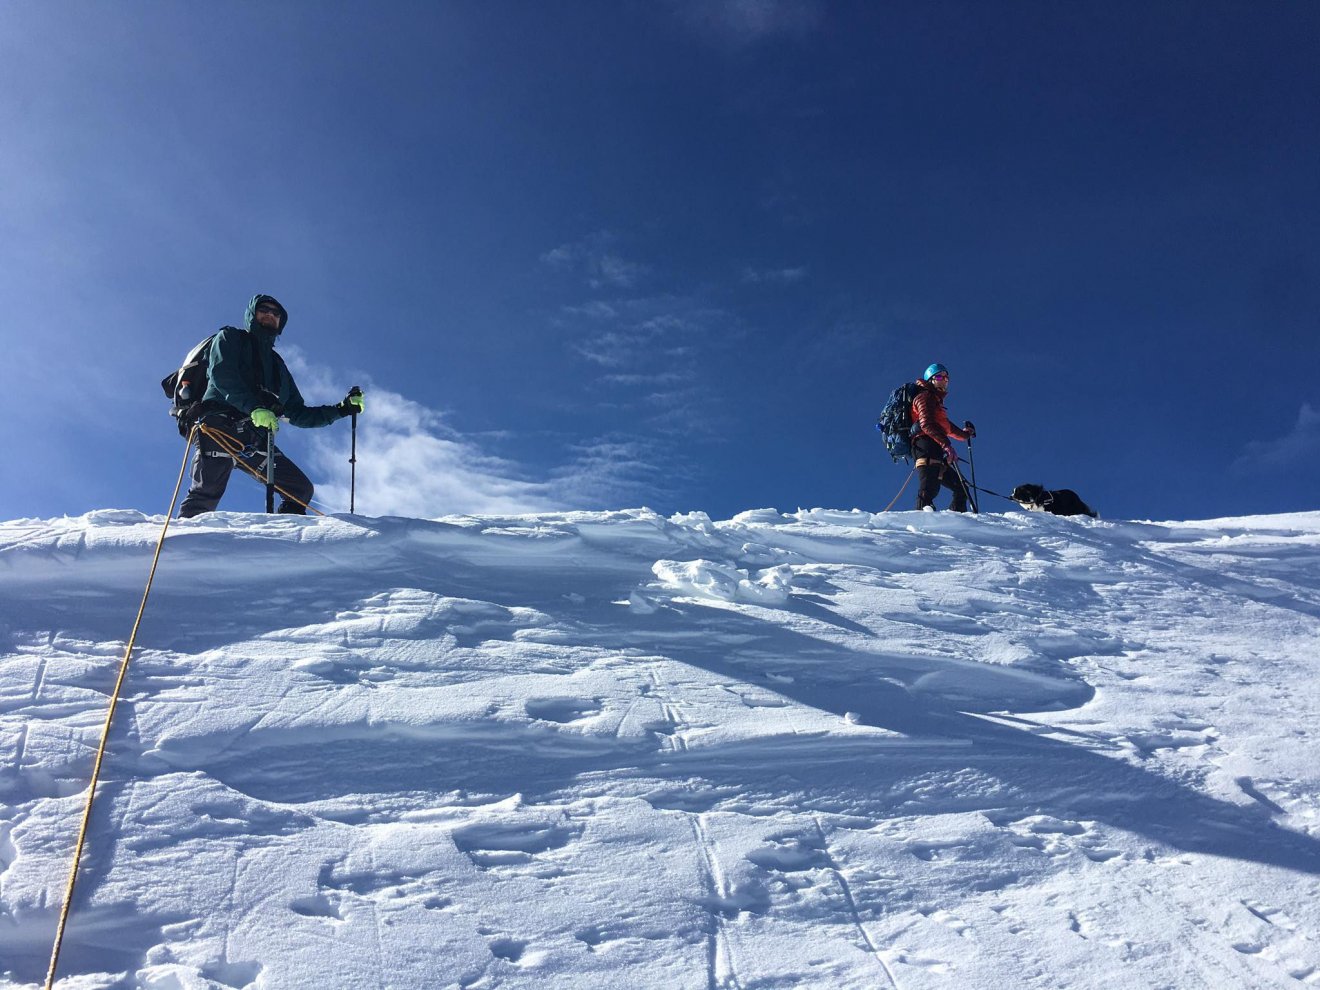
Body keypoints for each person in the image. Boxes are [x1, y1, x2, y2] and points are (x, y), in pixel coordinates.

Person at [178, 293, 365, 518]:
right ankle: (180, 545)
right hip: (220, 424)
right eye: (263, 310)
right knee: (206, 492)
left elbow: (298, 413)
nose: (269, 315)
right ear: (252, 314)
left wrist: (341, 409)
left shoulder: (278, 367)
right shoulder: (230, 338)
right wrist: (254, 408)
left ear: (280, 322)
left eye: (275, 313)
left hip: (256, 438)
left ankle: (285, 538)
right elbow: (222, 377)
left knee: (299, 489)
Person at [910, 362, 975, 512]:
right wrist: (947, 445)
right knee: (929, 489)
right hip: (924, 446)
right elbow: (926, 424)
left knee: (961, 488)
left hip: (936, 449)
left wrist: (966, 434)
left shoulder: (936, 402)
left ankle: (958, 523)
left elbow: (947, 427)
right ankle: (920, 525)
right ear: (931, 379)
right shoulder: (924, 396)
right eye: (940, 376)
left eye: (947, 377)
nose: (944, 379)